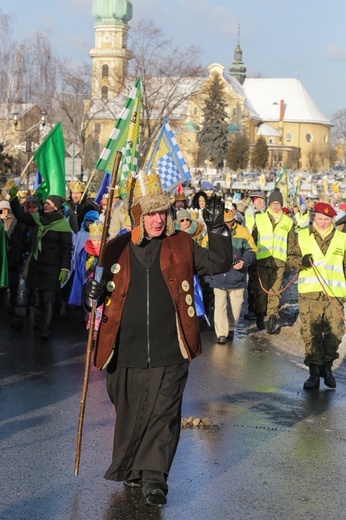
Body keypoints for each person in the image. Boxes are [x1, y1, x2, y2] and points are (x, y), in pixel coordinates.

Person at [83, 169, 232, 507]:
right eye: (150, 213)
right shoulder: (116, 248)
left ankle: (155, 478)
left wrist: (219, 228)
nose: (157, 220)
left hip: (170, 347)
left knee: (163, 412)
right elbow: (96, 291)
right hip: (124, 349)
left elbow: (220, 262)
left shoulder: (181, 243)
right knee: (129, 408)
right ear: (138, 215)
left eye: (162, 212)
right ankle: (135, 469)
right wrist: (91, 290)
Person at [287, 202, 346, 390]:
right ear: (314, 218)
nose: (322, 222)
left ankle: (326, 368)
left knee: (335, 333)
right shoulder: (302, 236)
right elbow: (289, 258)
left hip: (334, 295)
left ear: (332, 220)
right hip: (309, 295)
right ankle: (313, 372)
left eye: (326, 219)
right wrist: (301, 262)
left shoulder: (342, 239)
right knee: (310, 333)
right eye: (319, 219)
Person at [9, 188, 73, 339]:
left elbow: (67, 249)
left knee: (49, 298)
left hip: (53, 267)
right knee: (39, 296)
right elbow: (20, 215)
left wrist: (65, 268)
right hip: (37, 265)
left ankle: (46, 328)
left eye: (49, 204)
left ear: (56, 207)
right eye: (45, 203)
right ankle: (40, 320)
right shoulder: (38, 218)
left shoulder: (63, 225)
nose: (45, 206)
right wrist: (13, 200)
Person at [207, 204, 257, 344]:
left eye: (230, 223)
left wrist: (244, 261)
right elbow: (205, 251)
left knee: (236, 306)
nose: (228, 226)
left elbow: (252, 251)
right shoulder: (213, 233)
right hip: (219, 276)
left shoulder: (243, 232)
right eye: (225, 223)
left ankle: (230, 328)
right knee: (220, 306)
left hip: (237, 277)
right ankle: (221, 334)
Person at [252, 188, 296, 334]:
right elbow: (253, 240)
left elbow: (292, 244)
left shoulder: (288, 222)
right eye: (273, 203)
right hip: (262, 261)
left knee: (275, 292)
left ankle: (272, 318)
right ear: (269, 204)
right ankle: (259, 314)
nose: (275, 206)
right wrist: (251, 259)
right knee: (261, 291)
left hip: (279, 262)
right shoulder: (259, 218)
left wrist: (293, 262)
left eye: (278, 203)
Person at [244, 190, 266, 320]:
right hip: (251, 252)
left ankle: (263, 309)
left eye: (261, 199)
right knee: (252, 283)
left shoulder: (268, 215)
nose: (258, 201)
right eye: (256, 199)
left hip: (266, 253)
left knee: (264, 283)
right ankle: (252, 309)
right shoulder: (248, 214)